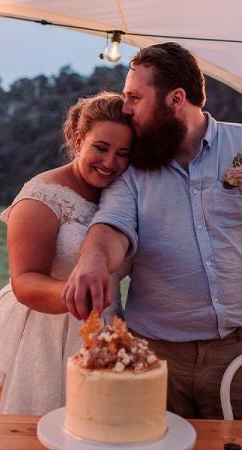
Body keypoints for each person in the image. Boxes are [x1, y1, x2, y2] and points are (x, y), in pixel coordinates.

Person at [63, 42, 242, 419]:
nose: (126, 108)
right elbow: (113, 226)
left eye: (134, 97)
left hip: (237, 352)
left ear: (175, 99)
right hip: (156, 356)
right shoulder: (132, 165)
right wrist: (93, 259)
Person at [0, 92, 134, 415]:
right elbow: (24, 280)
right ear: (79, 140)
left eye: (123, 153)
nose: (110, 162)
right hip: (39, 334)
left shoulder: (124, 196)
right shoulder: (42, 195)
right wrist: (79, 293)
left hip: (106, 331)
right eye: (101, 148)